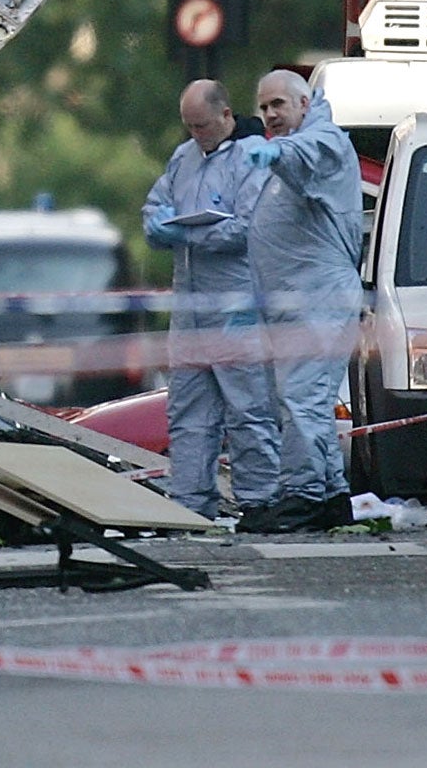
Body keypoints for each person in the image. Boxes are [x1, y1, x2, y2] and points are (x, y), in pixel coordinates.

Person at [141, 80, 279, 522]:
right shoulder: (183, 158)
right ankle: (188, 503)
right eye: (189, 126)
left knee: (248, 408)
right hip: (191, 307)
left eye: (202, 125)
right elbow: (155, 206)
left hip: (236, 304)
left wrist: (190, 233)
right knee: (187, 410)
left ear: (226, 115)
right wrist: (160, 225)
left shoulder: (250, 158)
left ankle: (260, 500)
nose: (196, 133)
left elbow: (248, 227)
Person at [243, 69, 365, 533]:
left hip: (319, 299)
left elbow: (306, 151)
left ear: (305, 104)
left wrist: (274, 149)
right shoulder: (288, 156)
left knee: (301, 401)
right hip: (298, 302)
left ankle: (304, 497)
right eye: (264, 107)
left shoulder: (323, 142)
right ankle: (331, 496)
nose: (270, 115)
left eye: (279, 104)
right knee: (303, 400)